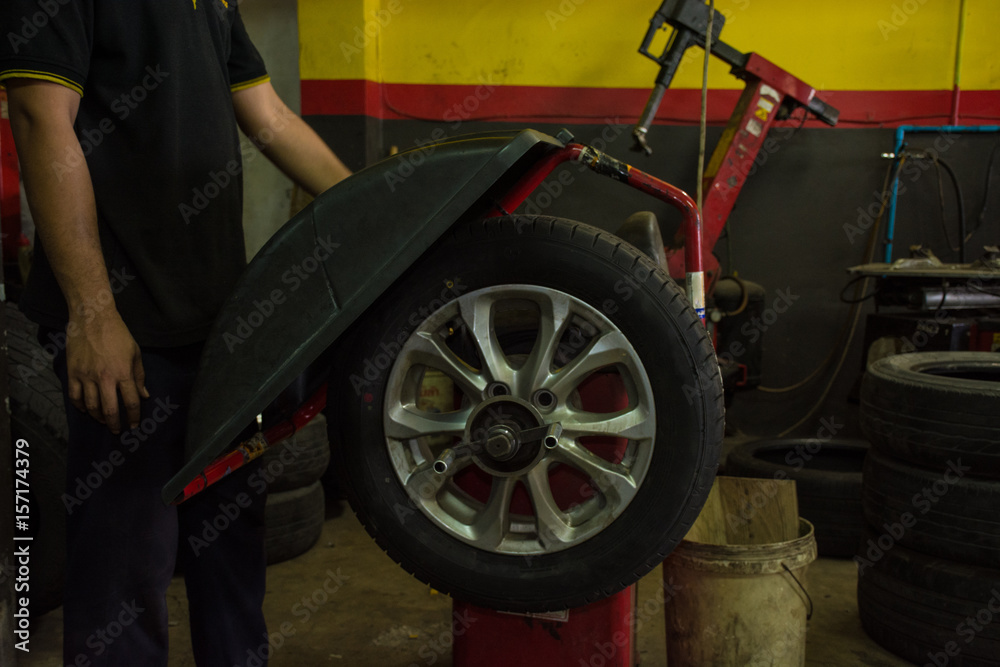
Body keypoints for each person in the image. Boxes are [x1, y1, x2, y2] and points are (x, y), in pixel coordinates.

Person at [1, 1, 351, 664]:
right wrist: (94, 314)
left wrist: (384, 215)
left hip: (220, 326)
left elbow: (270, 118)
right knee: (124, 567)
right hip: (124, 325)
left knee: (232, 555)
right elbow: (39, 120)